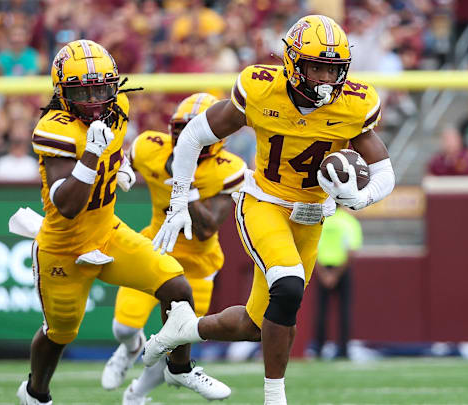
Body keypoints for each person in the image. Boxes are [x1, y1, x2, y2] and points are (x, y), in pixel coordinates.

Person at [144, 15, 395, 405]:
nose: (326, 78)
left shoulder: (354, 105)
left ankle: (184, 328)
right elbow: (193, 134)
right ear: (293, 63)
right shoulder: (261, 90)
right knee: (289, 284)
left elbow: (384, 171)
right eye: (317, 67)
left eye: (334, 68)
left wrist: (360, 199)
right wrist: (180, 198)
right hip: (264, 202)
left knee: (259, 323)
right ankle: (275, 397)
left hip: (311, 216)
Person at [16, 40, 228, 405]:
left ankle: (179, 368)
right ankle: (36, 394)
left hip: (107, 232)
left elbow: (115, 149)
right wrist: (91, 156)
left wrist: (121, 167)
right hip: (63, 248)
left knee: (176, 286)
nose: (96, 98)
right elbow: (66, 204)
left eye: (102, 87)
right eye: (84, 90)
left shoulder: (119, 106)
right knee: (59, 333)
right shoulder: (56, 128)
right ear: (62, 94)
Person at [101, 93, 245, 404]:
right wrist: (121, 168)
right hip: (154, 249)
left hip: (197, 265)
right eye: (179, 128)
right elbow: (125, 158)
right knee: (123, 327)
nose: (184, 136)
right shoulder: (150, 147)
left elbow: (207, 227)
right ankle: (129, 347)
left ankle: (136, 394)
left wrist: (186, 186)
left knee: (175, 343)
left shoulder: (228, 168)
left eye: (193, 129)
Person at [311, 206, 362, 359]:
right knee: (344, 311)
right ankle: (344, 350)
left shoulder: (321, 221)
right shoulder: (349, 221)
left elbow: (312, 249)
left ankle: (318, 349)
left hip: (322, 269)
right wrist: (336, 275)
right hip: (342, 270)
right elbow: (351, 251)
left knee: (321, 312)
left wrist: (325, 274)